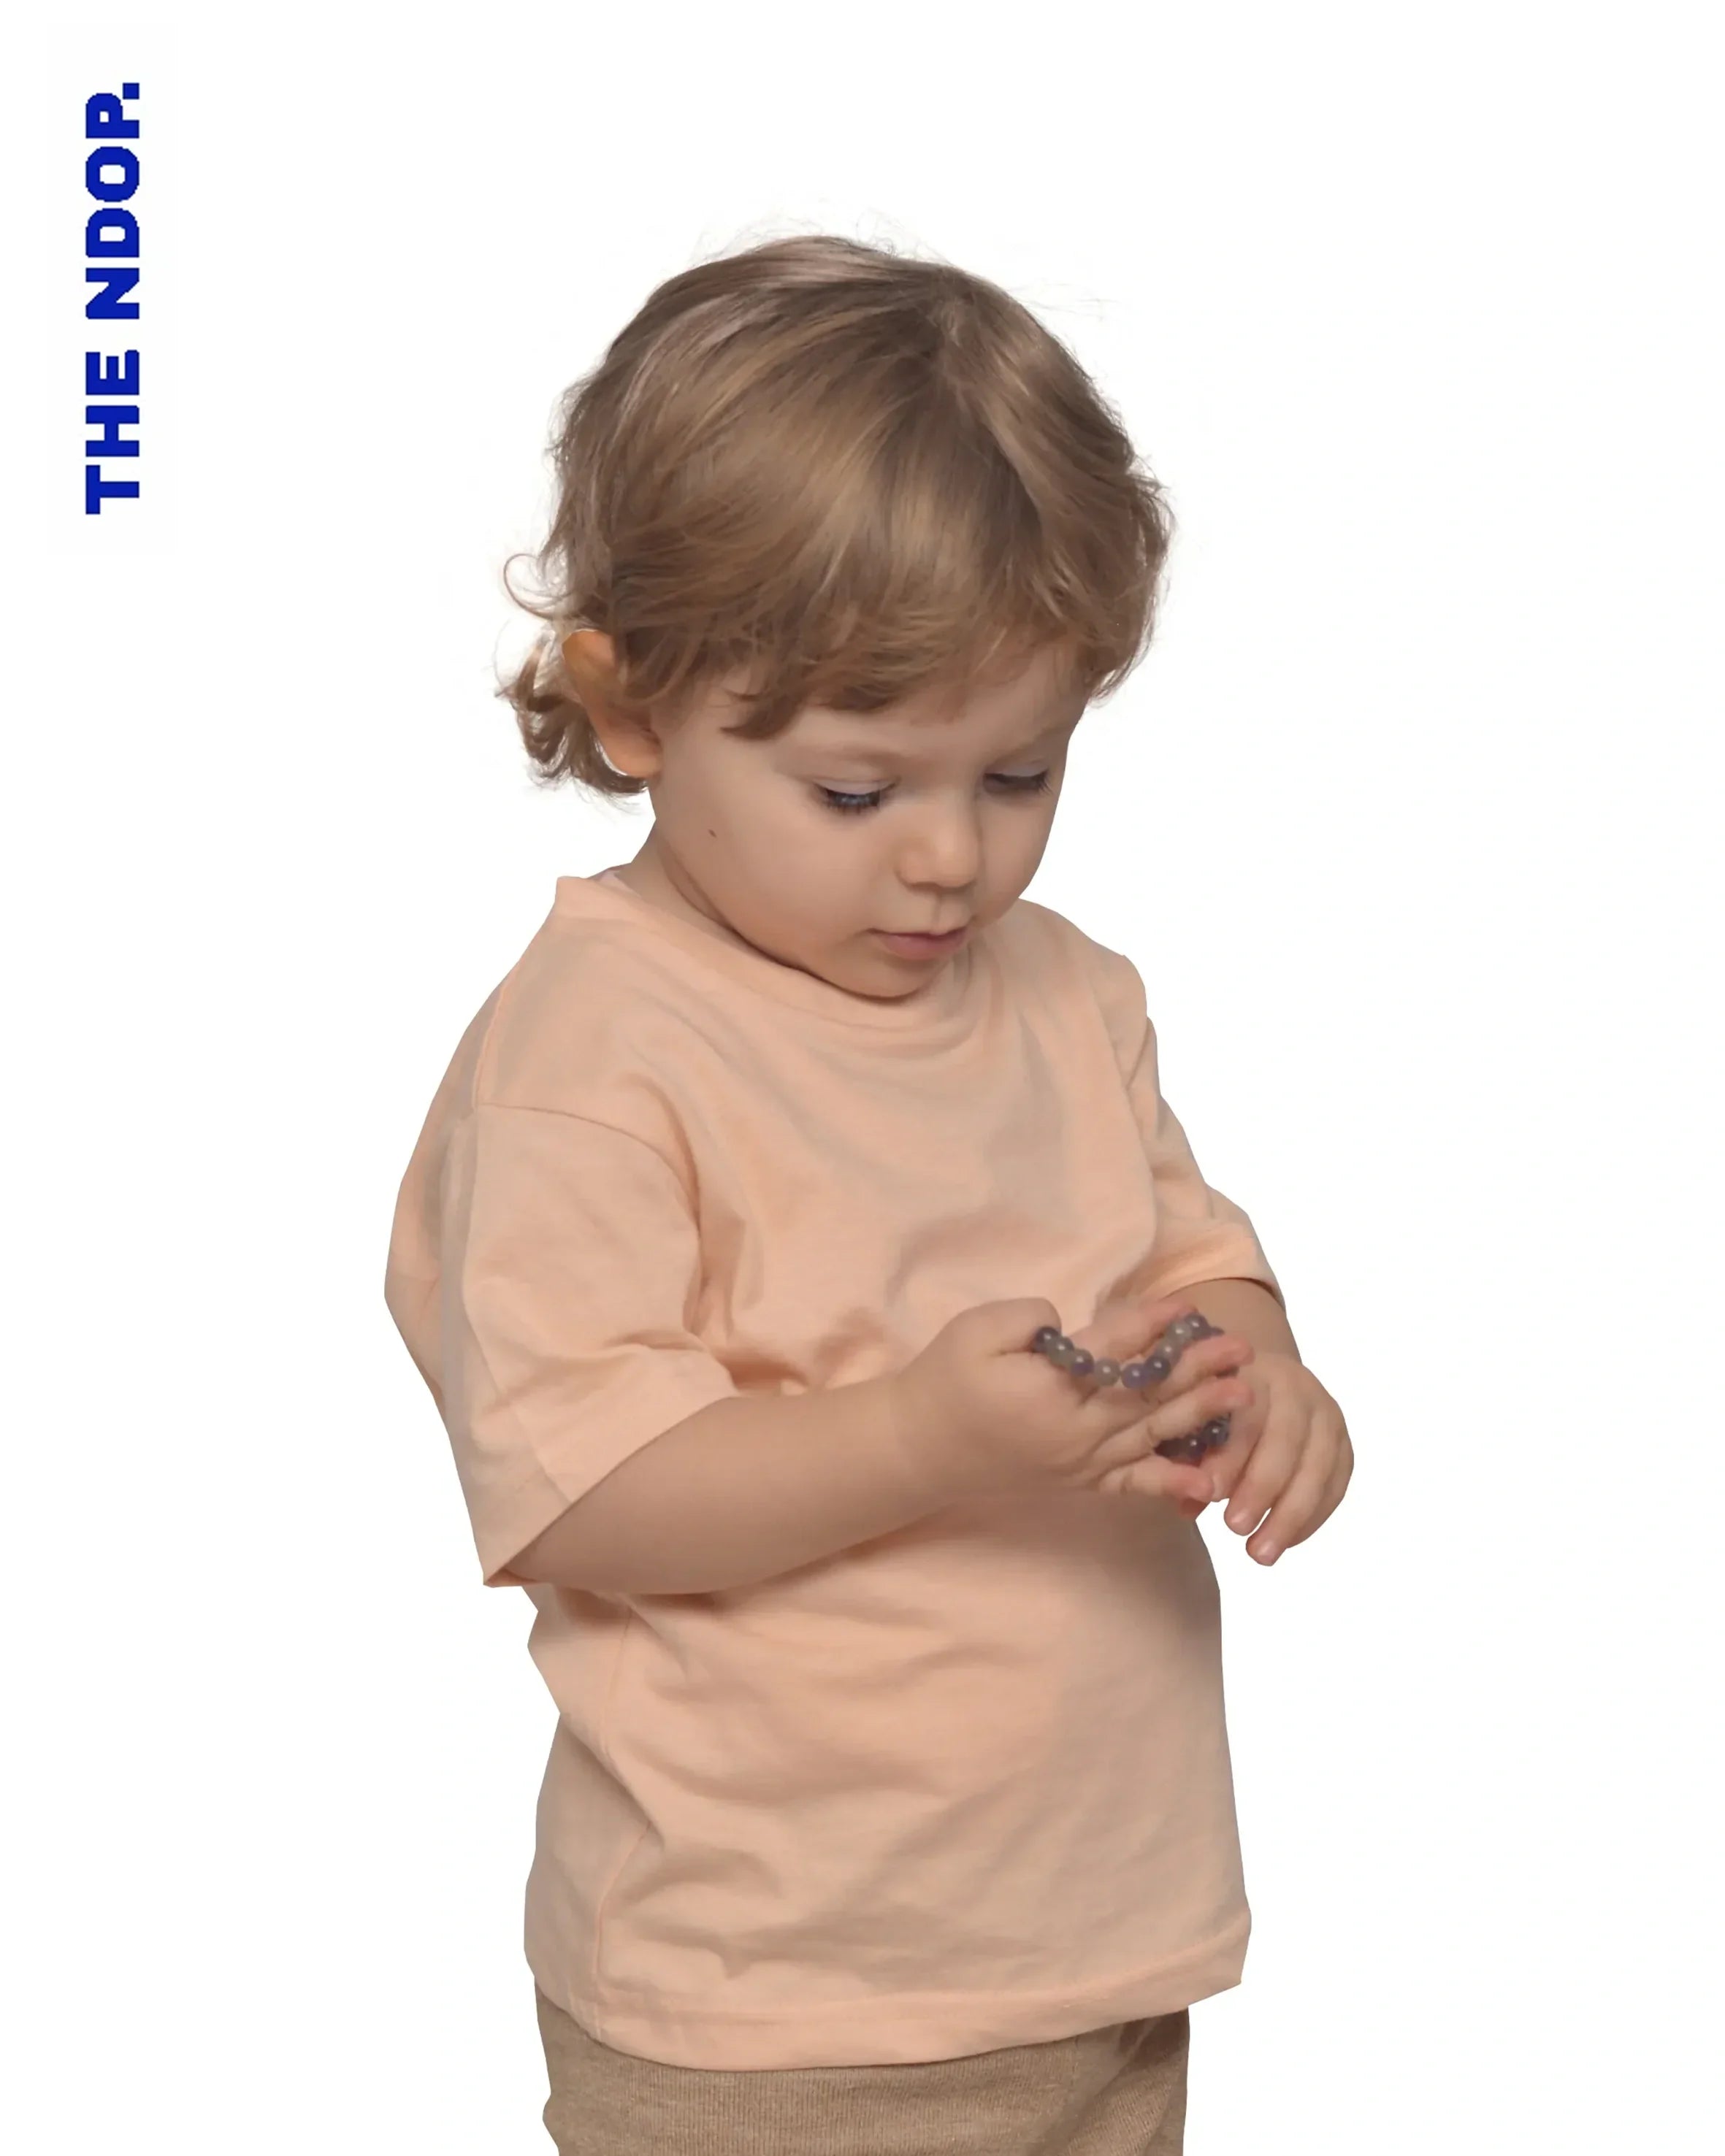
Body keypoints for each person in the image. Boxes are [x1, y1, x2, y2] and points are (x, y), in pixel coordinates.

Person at [383, 231, 1354, 2156]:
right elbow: (584, 1484)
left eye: (1017, 774)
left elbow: (1186, 1257)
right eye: (857, 790)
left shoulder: (1067, 993)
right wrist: (923, 1436)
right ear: (633, 705)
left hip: (1094, 1940)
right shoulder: (597, 1056)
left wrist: (1254, 1365)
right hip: (771, 2001)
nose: (947, 860)